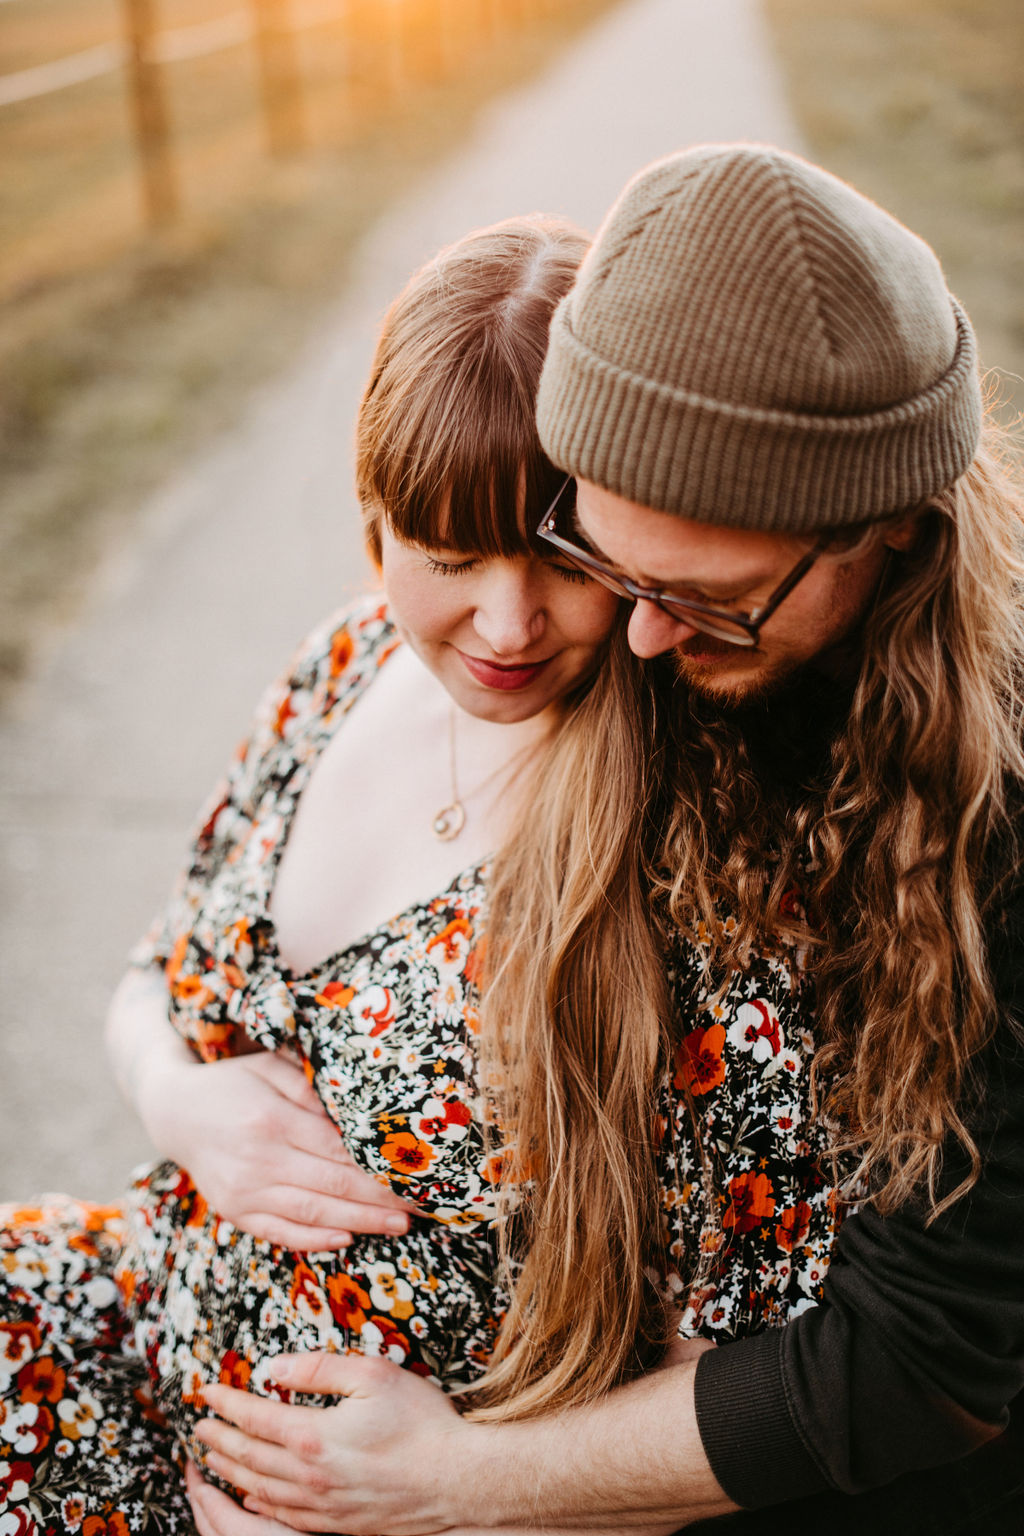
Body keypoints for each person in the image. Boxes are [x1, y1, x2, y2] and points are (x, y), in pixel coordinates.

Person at [185, 146, 1024, 1535]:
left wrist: (452, 1492)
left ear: (888, 528)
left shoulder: (981, 824)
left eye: (707, 599)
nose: (637, 638)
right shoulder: (668, 641)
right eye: (607, 565)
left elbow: (915, 1362)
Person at [0, 214, 627, 1533]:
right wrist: (179, 1104)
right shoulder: (340, 670)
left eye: (562, 558)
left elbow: (743, 1362)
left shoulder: (675, 811)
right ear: (374, 530)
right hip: (136, 1339)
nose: (507, 624)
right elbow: (147, 972)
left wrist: (452, 1506)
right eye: (450, 557)